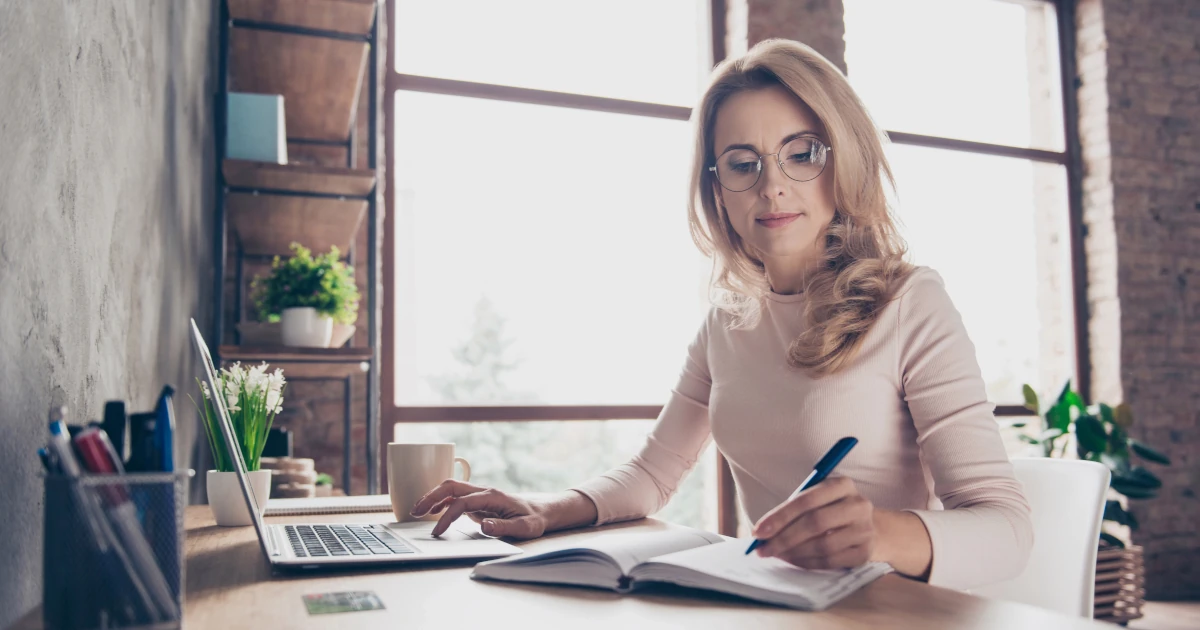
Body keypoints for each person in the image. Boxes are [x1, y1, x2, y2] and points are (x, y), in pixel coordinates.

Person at [409, 38, 1033, 591]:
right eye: (743, 163)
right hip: (769, 603)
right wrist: (549, 509)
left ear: (843, 159)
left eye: (802, 153)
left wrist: (879, 533)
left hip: (887, 609)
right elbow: (653, 473)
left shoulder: (911, 303)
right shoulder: (728, 318)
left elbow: (1006, 530)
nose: (772, 186)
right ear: (717, 188)